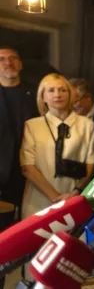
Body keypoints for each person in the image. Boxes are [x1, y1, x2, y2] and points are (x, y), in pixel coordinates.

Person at [20, 73, 94, 218]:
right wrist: (56, 197)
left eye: (63, 90)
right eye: (51, 90)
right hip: (39, 201)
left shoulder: (87, 125)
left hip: (74, 198)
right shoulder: (32, 125)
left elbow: (91, 164)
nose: (57, 94)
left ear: (70, 95)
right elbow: (27, 168)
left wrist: (74, 193)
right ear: (42, 96)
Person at [0, 46, 38, 289]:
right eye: (2, 59)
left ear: (21, 64)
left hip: (30, 177)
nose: (8, 63)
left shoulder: (34, 94)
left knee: (27, 240)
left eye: (13, 58)